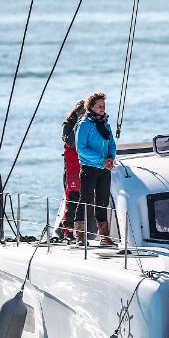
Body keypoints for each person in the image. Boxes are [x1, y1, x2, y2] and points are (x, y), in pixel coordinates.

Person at [73, 92, 117, 246]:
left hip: (105, 168)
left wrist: (111, 157)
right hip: (89, 167)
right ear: (90, 107)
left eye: (103, 106)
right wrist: (101, 160)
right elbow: (81, 149)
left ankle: (104, 237)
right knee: (85, 199)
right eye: (99, 106)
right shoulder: (84, 124)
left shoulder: (105, 123)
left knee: (102, 201)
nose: (102, 108)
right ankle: (79, 236)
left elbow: (111, 142)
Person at [55, 99, 85, 241]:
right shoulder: (68, 125)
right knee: (72, 200)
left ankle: (65, 228)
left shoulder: (90, 125)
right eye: (83, 113)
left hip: (85, 166)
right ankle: (66, 231)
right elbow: (70, 141)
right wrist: (78, 123)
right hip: (72, 169)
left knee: (82, 200)